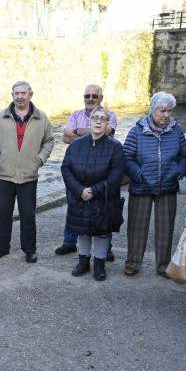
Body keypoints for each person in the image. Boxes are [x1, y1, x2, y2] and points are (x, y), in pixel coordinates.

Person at [0, 80, 55, 263]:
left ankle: (30, 250)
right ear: (12, 95)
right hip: (4, 174)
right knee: (4, 213)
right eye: (16, 93)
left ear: (30, 94)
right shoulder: (2, 117)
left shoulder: (41, 118)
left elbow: (49, 141)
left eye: (23, 93)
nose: (20, 97)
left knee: (27, 214)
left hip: (28, 175)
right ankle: (3, 247)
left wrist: (39, 159)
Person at [122, 91, 186, 277]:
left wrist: (178, 171)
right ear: (152, 110)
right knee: (136, 226)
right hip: (141, 186)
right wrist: (139, 175)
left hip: (167, 185)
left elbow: (184, 156)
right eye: (162, 111)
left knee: (165, 228)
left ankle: (164, 265)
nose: (166, 115)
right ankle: (133, 263)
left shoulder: (176, 130)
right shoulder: (137, 131)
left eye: (169, 111)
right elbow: (127, 157)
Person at [61, 106, 125, 281]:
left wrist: (94, 191)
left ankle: (99, 265)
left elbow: (116, 177)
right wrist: (79, 190)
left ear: (107, 123)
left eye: (103, 119)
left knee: (101, 232)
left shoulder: (115, 147)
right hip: (80, 197)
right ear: (89, 121)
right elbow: (66, 169)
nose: (98, 121)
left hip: (103, 199)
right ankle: (83, 262)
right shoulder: (75, 145)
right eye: (95, 118)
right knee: (82, 230)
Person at [57, 84, 119, 259]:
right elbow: (64, 137)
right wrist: (91, 133)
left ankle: (106, 248)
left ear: (101, 98)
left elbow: (105, 132)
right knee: (74, 208)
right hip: (77, 172)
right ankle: (69, 243)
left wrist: (76, 132)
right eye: (87, 96)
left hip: (101, 171)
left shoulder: (110, 115)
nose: (90, 99)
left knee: (104, 209)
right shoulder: (75, 114)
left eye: (94, 96)